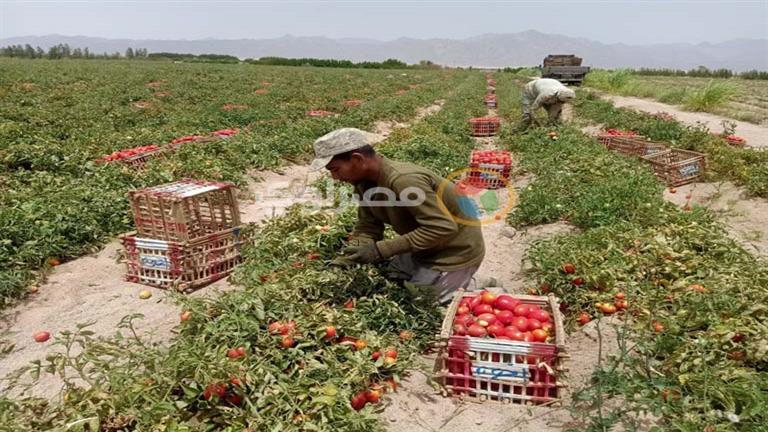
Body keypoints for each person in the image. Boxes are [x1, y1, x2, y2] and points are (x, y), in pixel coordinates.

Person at [310, 128, 485, 304]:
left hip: (454, 252)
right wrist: (350, 255)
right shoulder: (364, 183)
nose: (334, 178)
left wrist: (380, 250)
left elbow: (442, 227)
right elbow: (368, 225)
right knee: (391, 279)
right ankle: (454, 282)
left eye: (335, 169)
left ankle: (474, 286)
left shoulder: (404, 180)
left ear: (357, 159)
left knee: (416, 304)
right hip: (425, 248)